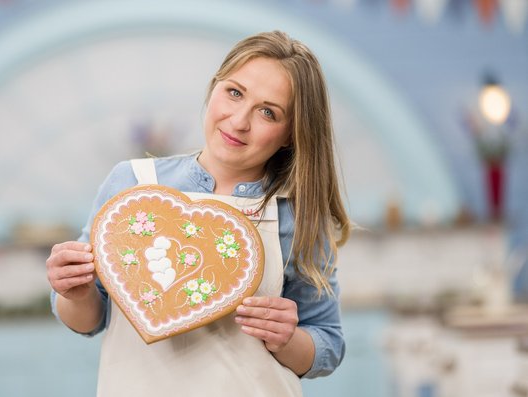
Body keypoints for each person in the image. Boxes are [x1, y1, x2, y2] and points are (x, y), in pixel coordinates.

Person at [46, 30, 350, 396]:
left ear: (291, 134)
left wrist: (288, 339)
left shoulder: (297, 215)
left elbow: (328, 344)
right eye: (234, 93)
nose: (239, 121)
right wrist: (75, 293)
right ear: (214, 88)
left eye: (268, 112)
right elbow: (88, 321)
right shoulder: (131, 185)